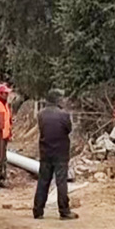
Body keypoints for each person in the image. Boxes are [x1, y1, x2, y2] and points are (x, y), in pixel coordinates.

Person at [33, 88, 78, 220]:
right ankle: (64, 211)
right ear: (58, 99)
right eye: (62, 98)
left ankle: (38, 210)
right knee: (61, 182)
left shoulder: (41, 114)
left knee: (43, 181)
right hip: (61, 152)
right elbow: (68, 129)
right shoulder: (63, 115)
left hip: (45, 152)